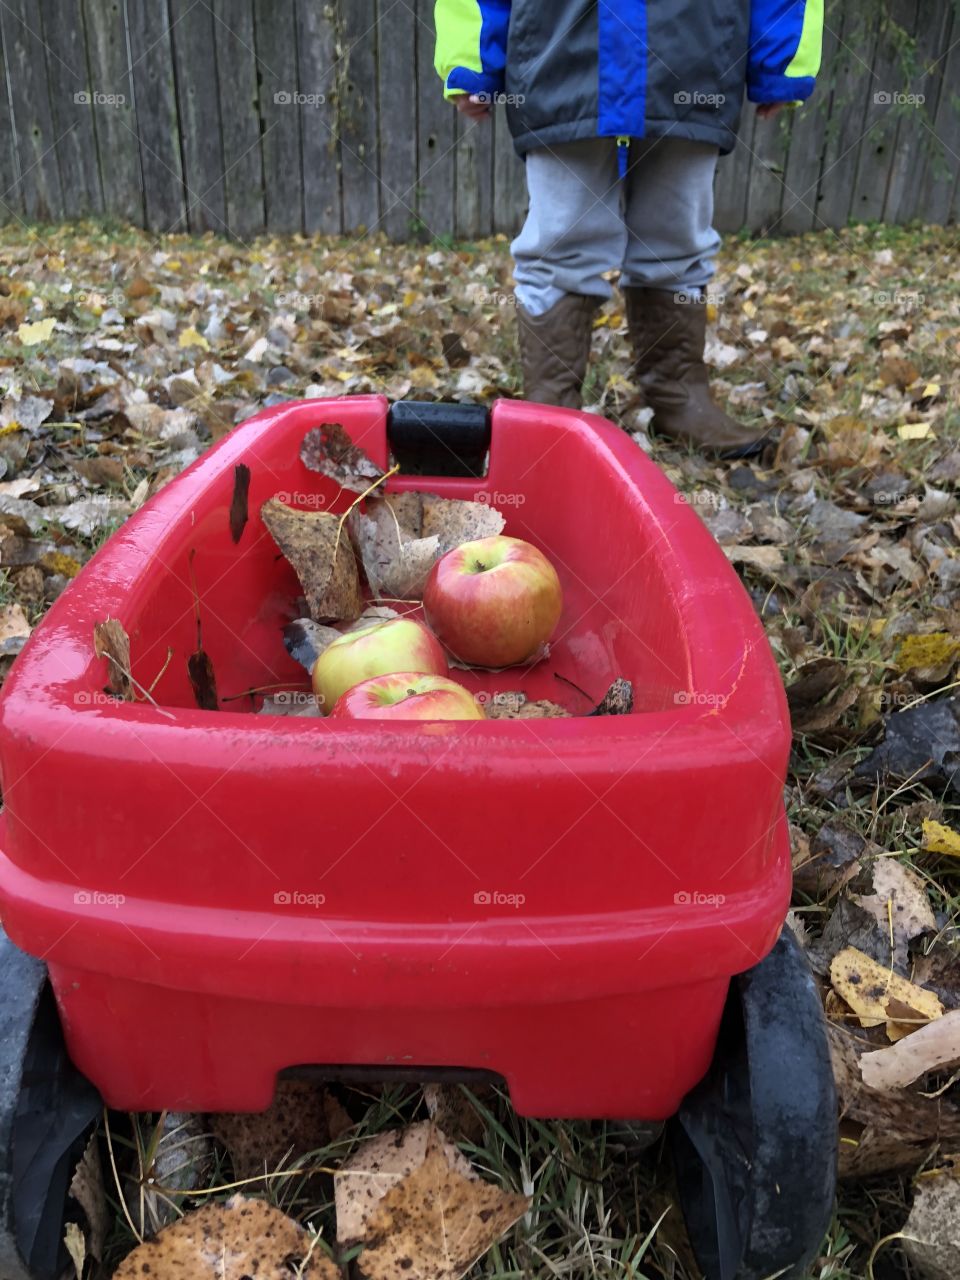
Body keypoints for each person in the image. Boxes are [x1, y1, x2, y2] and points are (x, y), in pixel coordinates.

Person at [434, 1, 824, 456]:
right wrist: (471, 58)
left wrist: (780, 59)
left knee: (677, 241)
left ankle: (680, 399)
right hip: (560, 50)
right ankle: (552, 412)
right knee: (559, 242)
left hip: (696, 49)